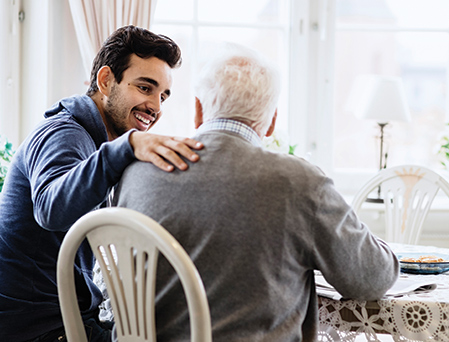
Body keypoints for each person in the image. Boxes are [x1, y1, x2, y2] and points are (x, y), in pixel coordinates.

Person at [112, 43, 400, 341]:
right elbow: (371, 278)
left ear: (198, 109)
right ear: (272, 121)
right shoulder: (299, 182)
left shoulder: (135, 172)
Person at [0, 25, 203, 342]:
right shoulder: (65, 132)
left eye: (162, 95)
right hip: (39, 330)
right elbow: (50, 209)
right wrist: (129, 145)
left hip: (62, 320)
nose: (156, 106)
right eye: (145, 88)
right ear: (106, 81)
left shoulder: (93, 139)